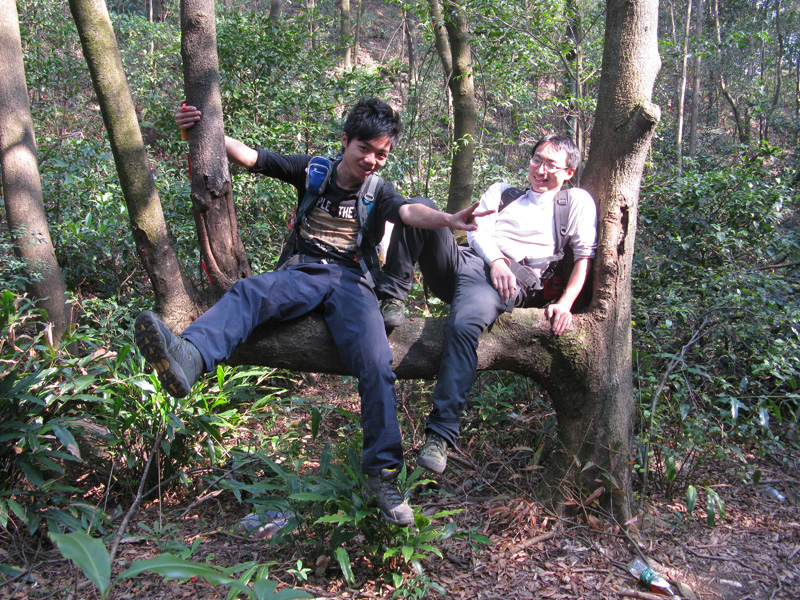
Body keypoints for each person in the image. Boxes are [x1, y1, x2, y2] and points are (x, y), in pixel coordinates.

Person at [134, 98, 489, 526]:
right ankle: (189, 356)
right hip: (304, 271)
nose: (372, 160)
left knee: (377, 363)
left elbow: (408, 211)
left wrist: (448, 218)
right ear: (345, 141)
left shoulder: (379, 191)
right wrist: (201, 132)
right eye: (365, 149)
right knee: (250, 292)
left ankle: (383, 476)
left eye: (381, 154)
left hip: (353, 282)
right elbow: (252, 157)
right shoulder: (313, 170)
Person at [381, 134, 597, 474]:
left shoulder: (576, 202)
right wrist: (495, 260)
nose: (541, 170)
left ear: (568, 172)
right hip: (468, 261)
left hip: (506, 281)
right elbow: (477, 231)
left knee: (463, 325)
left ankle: (440, 434)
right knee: (419, 207)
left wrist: (566, 303)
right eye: (537, 160)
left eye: (551, 165)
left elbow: (584, 257)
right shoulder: (502, 192)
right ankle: (393, 296)